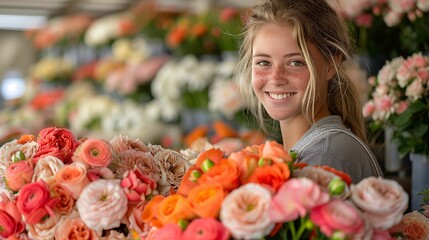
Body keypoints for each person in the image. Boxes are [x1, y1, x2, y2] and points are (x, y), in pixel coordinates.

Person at [235, 0, 383, 183]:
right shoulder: (311, 150)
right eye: (263, 63)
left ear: (331, 64)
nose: (275, 78)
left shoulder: (325, 156)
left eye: (295, 62)